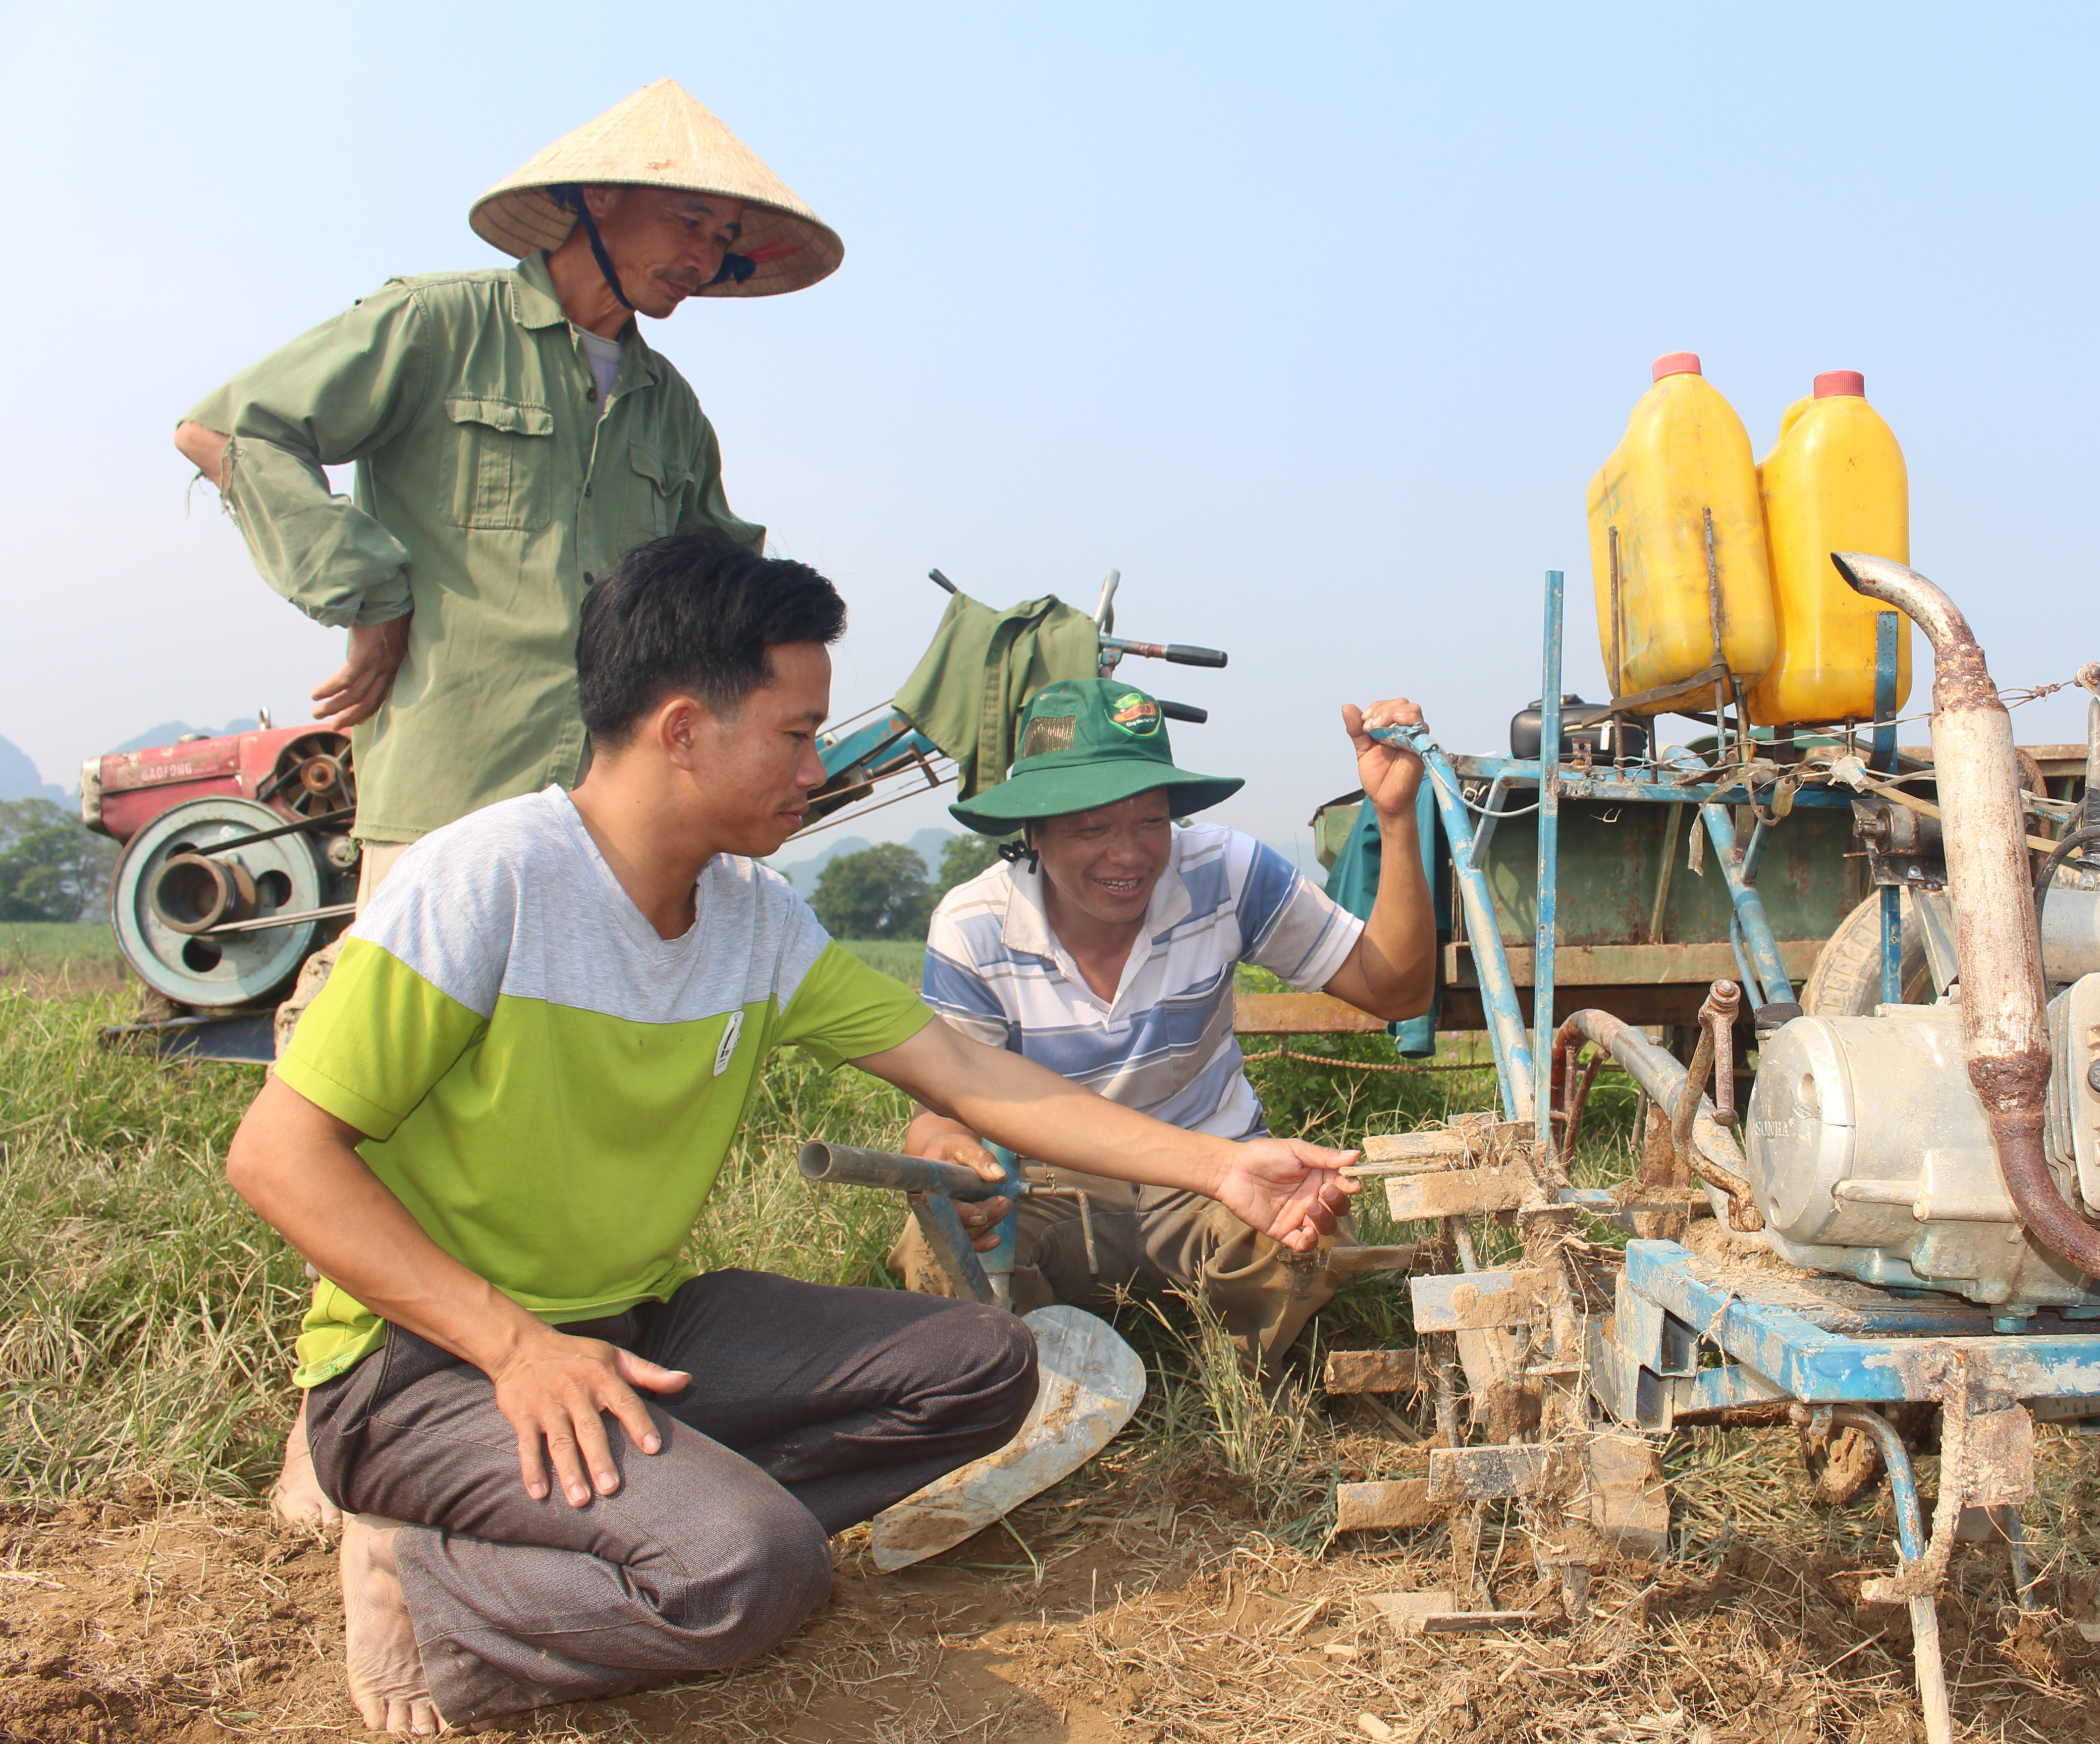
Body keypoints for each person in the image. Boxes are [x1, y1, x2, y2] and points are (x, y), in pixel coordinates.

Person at [223, 536, 1359, 1735]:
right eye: (797, 733)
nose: (816, 768)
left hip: (632, 1328)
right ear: (682, 730)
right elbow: (278, 1157)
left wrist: (1223, 1164)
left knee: (985, 1366)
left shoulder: (752, 916)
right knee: (756, 1573)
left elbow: (971, 1072)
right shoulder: (489, 881)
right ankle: (439, 1589)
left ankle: (648, 1502)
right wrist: (515, 1349)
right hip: (426, 1364)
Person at [175, 77, 838, 1526]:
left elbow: (727, 588)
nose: (706, 251)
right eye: (689, 218)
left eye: (728, 233)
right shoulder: (437, 325)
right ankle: (341, 1430)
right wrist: (369, 591)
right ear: (590, 209)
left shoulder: (668, 406)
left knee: (545, 1117)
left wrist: (782, 735)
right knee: (373, 1107)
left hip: (613, 821)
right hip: (459, 783)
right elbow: (232, 427)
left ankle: (543, 1394)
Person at [895, 677, 1435, 1369]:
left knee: (1308, 1232)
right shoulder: (973, 928)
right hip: (1049, 1191)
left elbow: (1396, 990)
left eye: (1151, 822)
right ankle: (1020, 1375)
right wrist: (948, 1162)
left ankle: (1238, 1364)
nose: (1129, 855)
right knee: (936, 1240)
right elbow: (940, 1113)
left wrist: (1394, 819)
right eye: (1091, 828)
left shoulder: (1223, 870)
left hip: (1214, 1177)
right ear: (1031, 831)